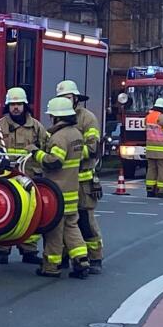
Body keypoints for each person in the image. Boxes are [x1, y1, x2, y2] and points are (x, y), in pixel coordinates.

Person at [0, 87, 47, 265]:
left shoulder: (36, 127)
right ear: (7, 106)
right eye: (12, 104)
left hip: (29, 178)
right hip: (5, 179)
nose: (16, 108)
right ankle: (2, 250)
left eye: (19, 104)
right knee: (5, 212)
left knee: (32, 214)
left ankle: (29, 251)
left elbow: (46, 147)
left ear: (25, 105)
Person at [32, 97, 90, 279]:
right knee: (71, 227)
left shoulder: (59, 137)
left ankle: (51, 266)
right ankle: (81, 260)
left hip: (57, 194)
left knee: (54, 232)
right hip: (72, 192)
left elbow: (54, 162)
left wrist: (36, 153)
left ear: (57, 117)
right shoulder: (77, 134)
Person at [55, 80, 104, 274]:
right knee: (64, 220)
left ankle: (95, 258)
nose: (65, 101)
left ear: (76, 98)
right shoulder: (57, 118)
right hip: (65, 179)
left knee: (85, 220)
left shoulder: (87, 119)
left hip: (83, 180)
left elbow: (92, 149)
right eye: (62, 98)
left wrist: (70, 152)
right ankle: (66, 256)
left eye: (68, 97)